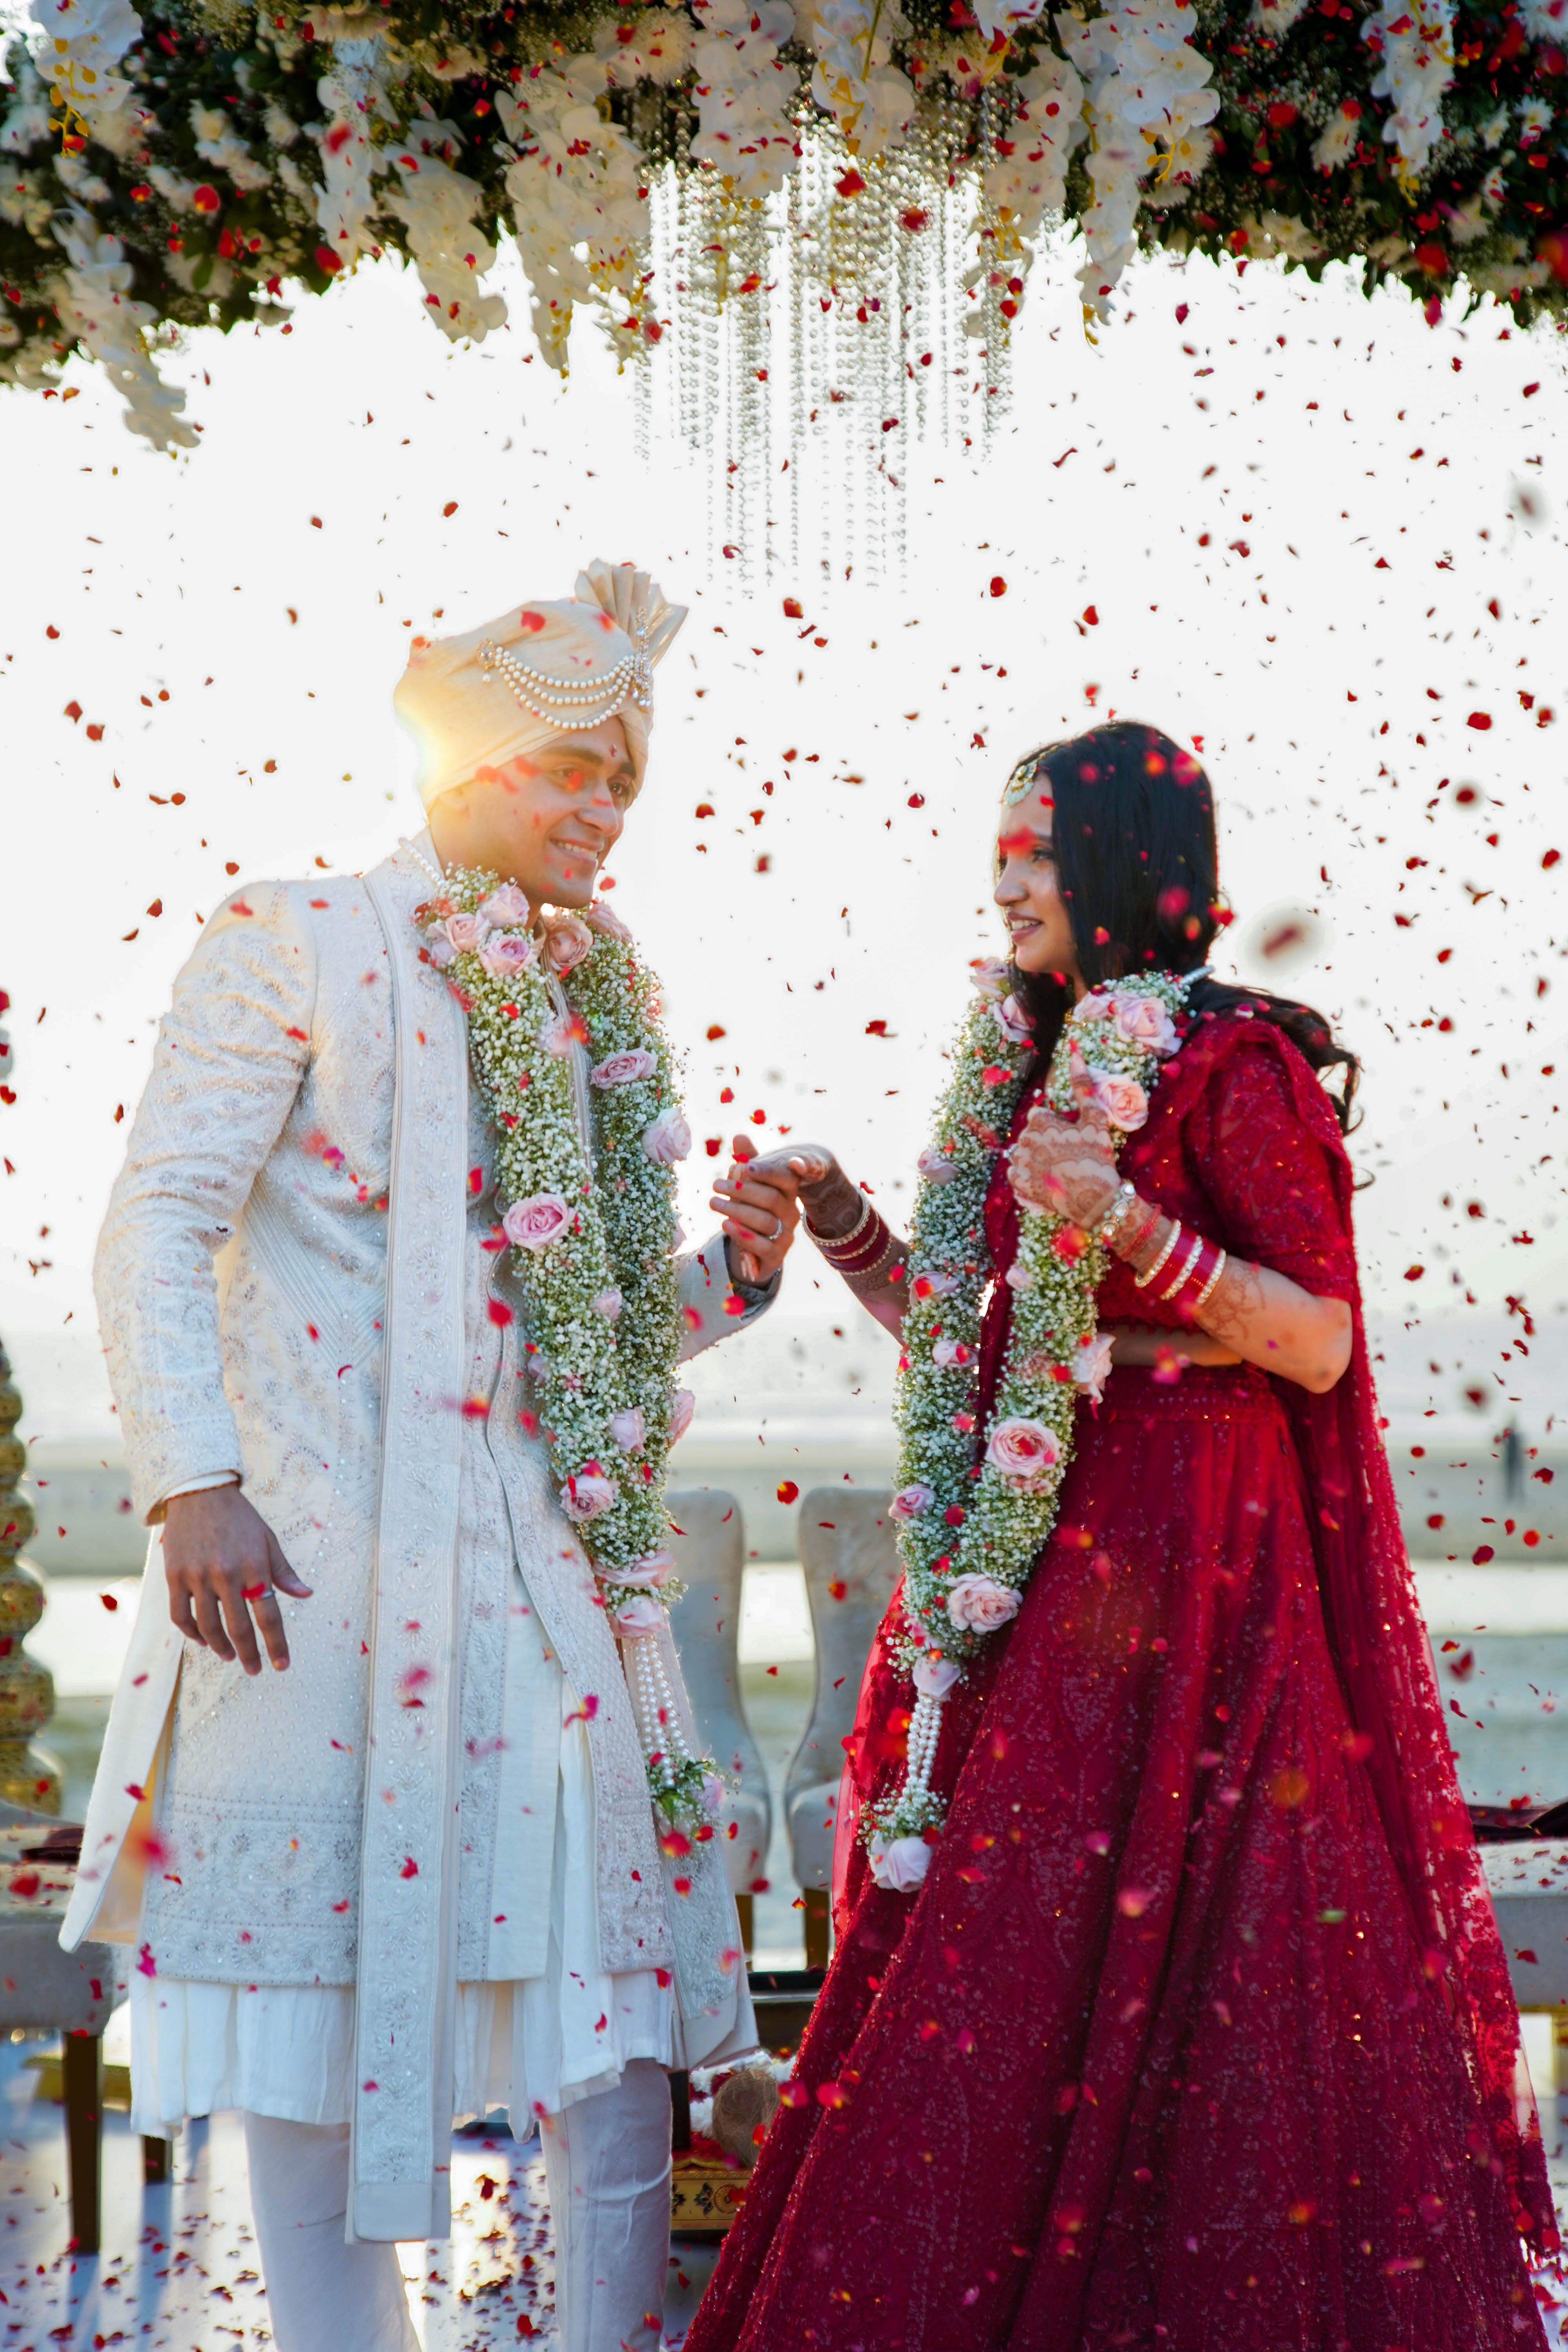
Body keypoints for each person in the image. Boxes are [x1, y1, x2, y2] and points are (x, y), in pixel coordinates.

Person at [686, 721, 1555, 2352]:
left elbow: (1313, 1342)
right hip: (1040, 1597)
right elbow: (991, 1344)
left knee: (1206, 2018)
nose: (1003, 883)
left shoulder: (1235, 1067)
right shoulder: (1023, 1055)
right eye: (998, 852)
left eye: (1033, 852)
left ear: (1116, 867)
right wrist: (853, 1227)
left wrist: (1132, 1228)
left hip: (1202, 1603)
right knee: (990, 1999)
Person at [59, 561, 801, 2352]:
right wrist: (187, 1480)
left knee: (613, 2048)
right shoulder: (292, 934)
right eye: (571, 771)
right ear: (464, 771)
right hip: (309, 1593)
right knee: (310, 2062)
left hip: (544, 1612)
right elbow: (153, 1221)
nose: (605, 809)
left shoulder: (587, 996)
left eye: (624, 777)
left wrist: (738, 1277)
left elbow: (572, 1330)